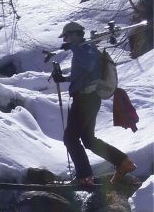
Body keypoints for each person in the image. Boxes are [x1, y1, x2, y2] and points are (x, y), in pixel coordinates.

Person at [52, 22, 137, 185]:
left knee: (70, 139)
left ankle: (84, 177)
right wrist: (63, 78)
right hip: (88, 99)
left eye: (66, 36)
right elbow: (86, 74)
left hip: (85, 100)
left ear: (75, 34)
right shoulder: (85, 49)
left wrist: (74, 47)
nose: (65, 39)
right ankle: (123, 162)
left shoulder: (85, 49)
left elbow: (91, 66)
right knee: (88, 140)